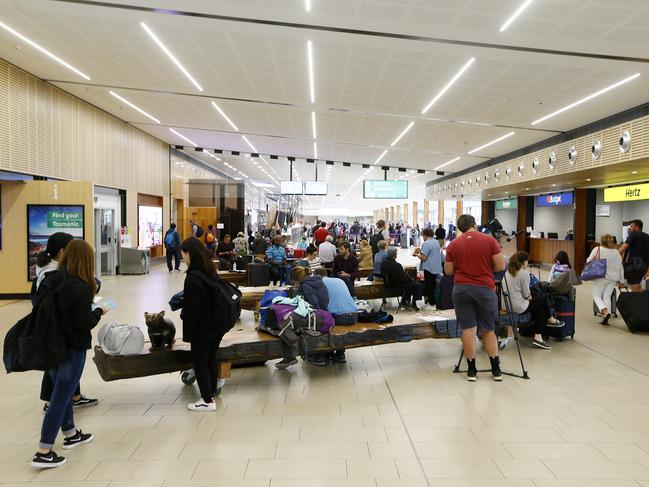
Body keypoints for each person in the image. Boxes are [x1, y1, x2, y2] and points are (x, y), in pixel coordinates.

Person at [31, 240, 108, 469]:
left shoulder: (51, 279)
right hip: (71, 349)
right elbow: (83, 323)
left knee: (60, 392)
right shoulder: (82, 287)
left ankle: (71, 433)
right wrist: (98, 311)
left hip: (51, 346)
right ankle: (43, 450)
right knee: (60, 398)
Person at [32, 233, 98, 414]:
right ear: (63, 252)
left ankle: (70, 402)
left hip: (58, 332)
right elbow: (79, 319)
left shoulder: (50, 271)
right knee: (60, 377)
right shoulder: (54, 275)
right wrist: (96, 310)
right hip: (60, 334)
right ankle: (53, 406)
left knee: (63, 374)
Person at [444, 214, 506, 382]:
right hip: (485, 289)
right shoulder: (489, 241)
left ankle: (471, 371)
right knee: (488, 329)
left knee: (468, 330)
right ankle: (496, 370)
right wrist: (486, 267)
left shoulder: (453, 244)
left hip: (462, 290)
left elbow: (448, 271)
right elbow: (500, 265)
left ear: (460, 228)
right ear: (474, 224)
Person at [180, 238, 226, 411]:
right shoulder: (209, 270)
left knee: (200, 361)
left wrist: (189, 334)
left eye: (183, 254)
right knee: (211, 358)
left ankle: (207, 401)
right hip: (216, 324)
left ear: (189, 254)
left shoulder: (192, 278)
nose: (182, 258)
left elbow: (192, 310)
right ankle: (211, 392)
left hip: (203, 327)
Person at [503, 251, 564, 350]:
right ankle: (548, 322)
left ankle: (539, 336)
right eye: (527, 261)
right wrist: (529, 297)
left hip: (506, 304)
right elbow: (527, 294)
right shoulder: (524, 273)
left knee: (539, 305)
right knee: (542, 300)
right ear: (523, 262)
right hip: (517, 306)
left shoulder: (507, 272)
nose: (527, 263)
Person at [278, 266, 331, 369]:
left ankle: (293, 355)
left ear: (297, 280)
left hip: (319, 318)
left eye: (294, 282)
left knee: (286, 323)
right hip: (326, 314)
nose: (294, 285)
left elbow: (314, 304)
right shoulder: (318, 280)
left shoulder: (306, 285)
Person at [313, 268, 359, 365]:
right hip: (354, 315)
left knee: (321, 322)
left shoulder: (319, 284)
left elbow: (319, 306)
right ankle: (340, 354)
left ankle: (322, 354)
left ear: (316, 276)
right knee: (331, 319)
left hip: (340, 318)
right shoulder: (339, 280)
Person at [588, 234, 624, 325]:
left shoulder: (597, 249)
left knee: (596, 295)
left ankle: (604, 311)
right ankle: (606, 317)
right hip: (613, 278)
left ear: (601, 241)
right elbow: (620, 267)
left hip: (601, 276)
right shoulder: (616, 252)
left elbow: (588, 261)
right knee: (607, 296)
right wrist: (622, 281)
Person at [414, 228, 442, 307]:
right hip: (436, 267)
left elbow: (424, 257)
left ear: (425, 235)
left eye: (423, 235)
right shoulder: (436, 242)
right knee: (433, 286)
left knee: (429, 286)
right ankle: (432, 302)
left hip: (428, 268)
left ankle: (431, 304)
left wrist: (416, 255)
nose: (423, 237)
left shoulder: (426, 243)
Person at [619, 219, 649, 291]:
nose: (630, 228)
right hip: (645, 265)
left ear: (637, 227)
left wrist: (613, 256)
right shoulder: (647, 236)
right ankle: (640, 299)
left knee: (634, 285)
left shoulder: (634, 234)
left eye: (631, 226)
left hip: (635, 265)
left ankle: (637, 300)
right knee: (638, 284)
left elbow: (623, 248)